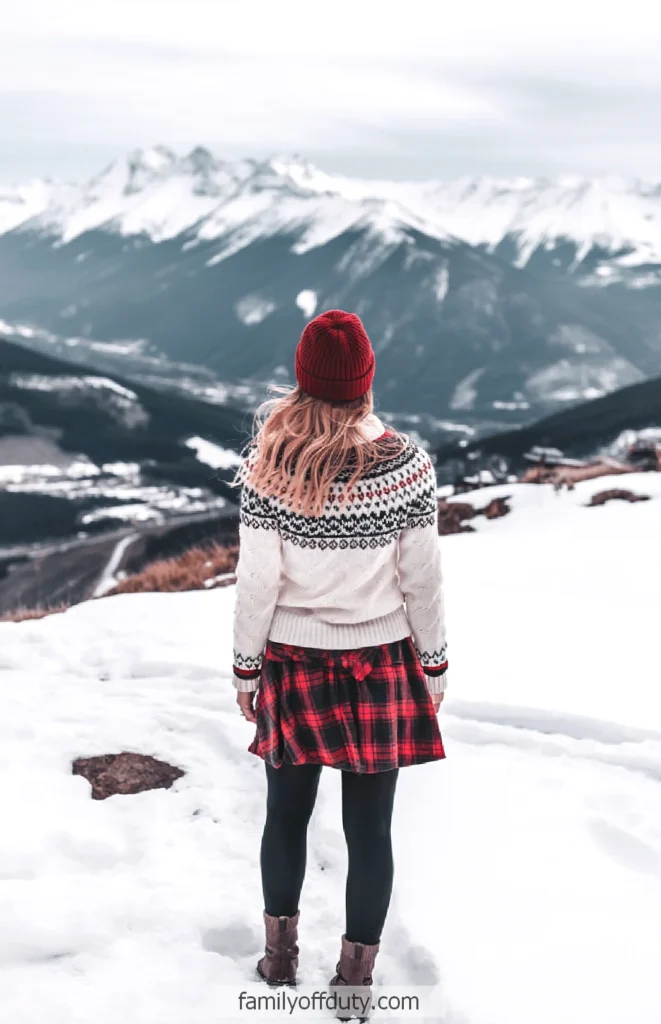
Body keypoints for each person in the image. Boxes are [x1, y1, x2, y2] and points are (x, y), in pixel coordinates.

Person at [231, 310, 448, 998]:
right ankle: (355, 985)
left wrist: (246, 667)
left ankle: (278, 959)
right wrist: (434, 663)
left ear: (303, 379)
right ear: (364, 382)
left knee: (285, 818)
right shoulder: (406, 466)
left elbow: (257, 582)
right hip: (381, 662)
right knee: (370, 832)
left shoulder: (273, 465)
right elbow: (422, 580)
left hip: (293, 662)